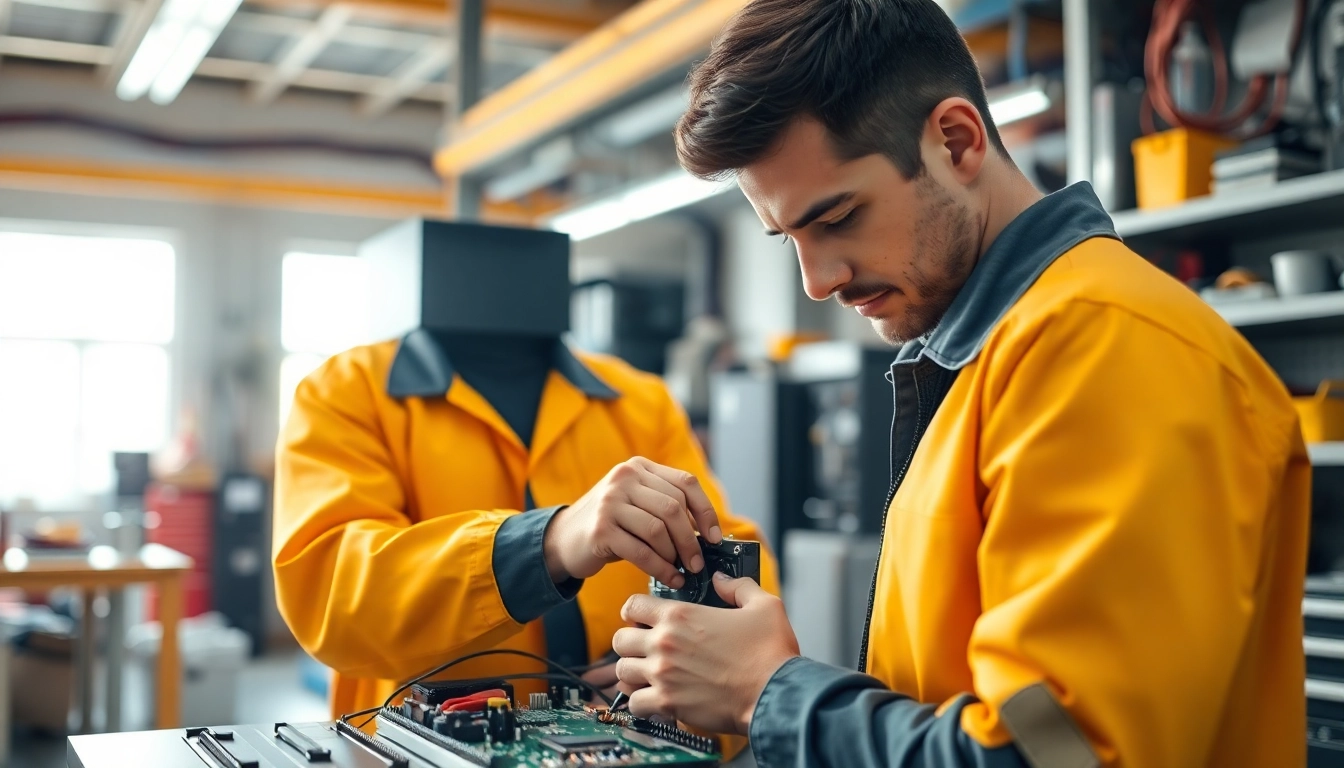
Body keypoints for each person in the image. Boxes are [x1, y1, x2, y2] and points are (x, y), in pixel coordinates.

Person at [610, 1, 1310, 765]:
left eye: (839, 216)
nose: (817, 281)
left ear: (956, 140)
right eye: (791, 239)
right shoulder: (990, 357)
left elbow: (1061, 755)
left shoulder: (1106, 345)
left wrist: (769, 691)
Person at [271, 219, 777, 733]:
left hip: (630, 741)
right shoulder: (346, 393)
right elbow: (331, 593)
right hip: (426, 746)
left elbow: (731, 555)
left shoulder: (640, 402)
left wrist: (670, 663)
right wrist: (547, 545)